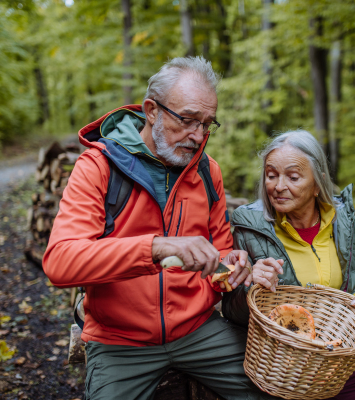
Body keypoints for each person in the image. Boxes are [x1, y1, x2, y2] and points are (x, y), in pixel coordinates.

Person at [43, 56, 274, 400]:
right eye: (188, 120)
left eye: (207, 124)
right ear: (152, 110)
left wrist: (235, 268)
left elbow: (220, 257)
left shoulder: (209, 173)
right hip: (119, 339)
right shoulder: (98, 166)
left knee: (272, 389)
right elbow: (60, 263)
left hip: (198, 330)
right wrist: (157, 247)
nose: (198, 136)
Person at [222, 130, 355, 400]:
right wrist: (251, 286)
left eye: (293, 177)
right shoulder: (249, 227)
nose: (278, 186)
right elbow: (232, 310)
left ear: (317, 184)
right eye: (271, 175)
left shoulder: (344, 221)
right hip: (281, 368)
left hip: (335, 360)